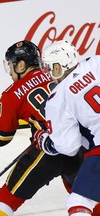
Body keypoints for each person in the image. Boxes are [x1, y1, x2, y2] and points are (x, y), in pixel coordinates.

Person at [0, 40, 86, 216]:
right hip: (78, 144)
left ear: (21, 65)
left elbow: (1, 137)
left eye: (10, 65)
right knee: (86, 197)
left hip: (47, 152)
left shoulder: (12, 94)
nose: (9, 72)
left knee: (7, 198)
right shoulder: (55, 75)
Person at [34, 40, 100, 215]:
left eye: (49, 68)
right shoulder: (96, 62)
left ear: (58, 67)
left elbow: (69, 147)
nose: (48, 73)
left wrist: (45, 140)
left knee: (78, 201)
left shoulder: (57, 97)